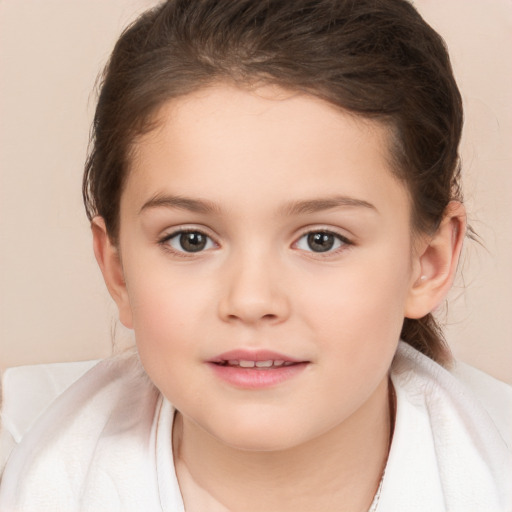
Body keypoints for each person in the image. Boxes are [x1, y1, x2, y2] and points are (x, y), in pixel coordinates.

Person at [0, 0, 510, 510]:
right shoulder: (26, 467)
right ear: (118, 270)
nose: (250, 300)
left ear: (429, 263)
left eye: (321, 240)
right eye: (190, 239)